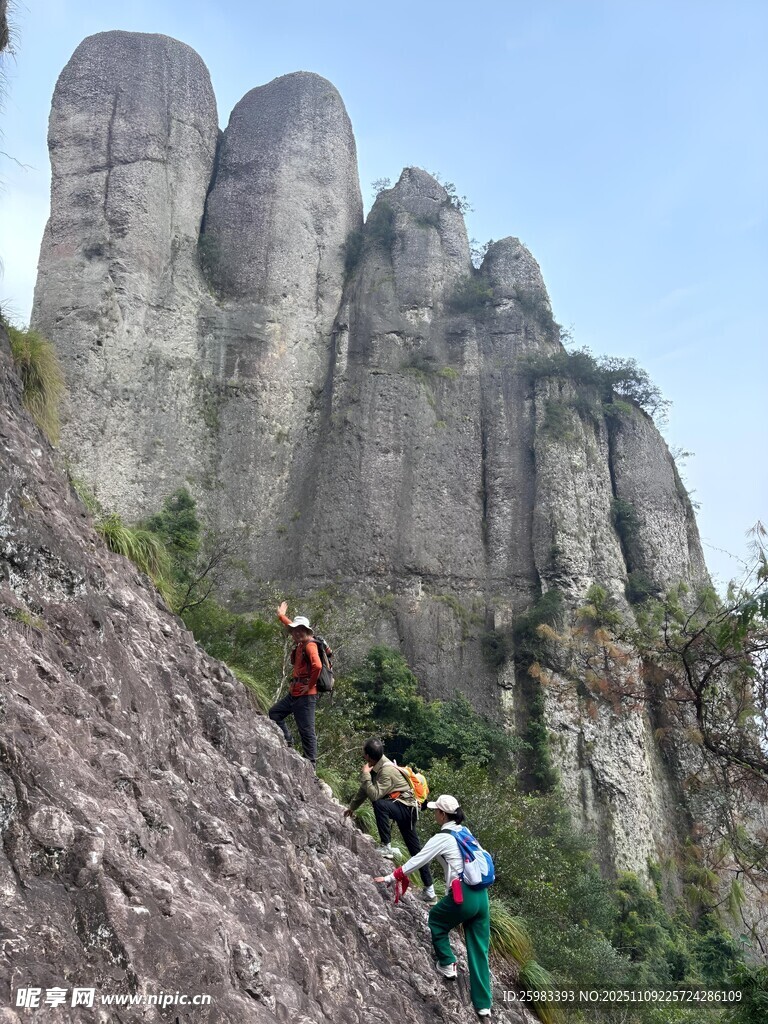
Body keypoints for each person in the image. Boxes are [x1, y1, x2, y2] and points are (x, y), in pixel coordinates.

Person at [374, 794, 492, 1018]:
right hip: (482, 899)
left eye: (436, 810)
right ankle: (483, 1005)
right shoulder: (466, 834)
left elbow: (419, 859)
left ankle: (447, 964)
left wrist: (392, 877)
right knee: (479, 950)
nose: (435, 813)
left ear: (443, 814)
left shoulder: (444, 837)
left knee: (436, 919)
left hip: (463, 896)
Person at [344, 738, 436, 902]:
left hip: (406, 810)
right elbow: (365, 789)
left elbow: (374, 795)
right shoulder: (379, 764)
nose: (363, 759)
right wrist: (352, 807)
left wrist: (365, 774)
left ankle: (386, 846)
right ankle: (430, 890)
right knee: (416, 852)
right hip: (405, 809)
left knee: (380, 804)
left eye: (364, 756)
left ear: (369, 757)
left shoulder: (386, 771)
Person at [268, 601, 321, 767]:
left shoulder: (310, 645)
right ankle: (288, 740)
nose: (297, 633)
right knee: (275, 713)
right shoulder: (300, 643)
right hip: (295, 692)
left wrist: (310, 684)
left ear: (306, 631)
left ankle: (311, 765)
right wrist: (281, 616)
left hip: (306, 695)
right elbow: (291, 625)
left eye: (300, 630)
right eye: (294, 630)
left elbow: (317, 666)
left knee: (306, 730)